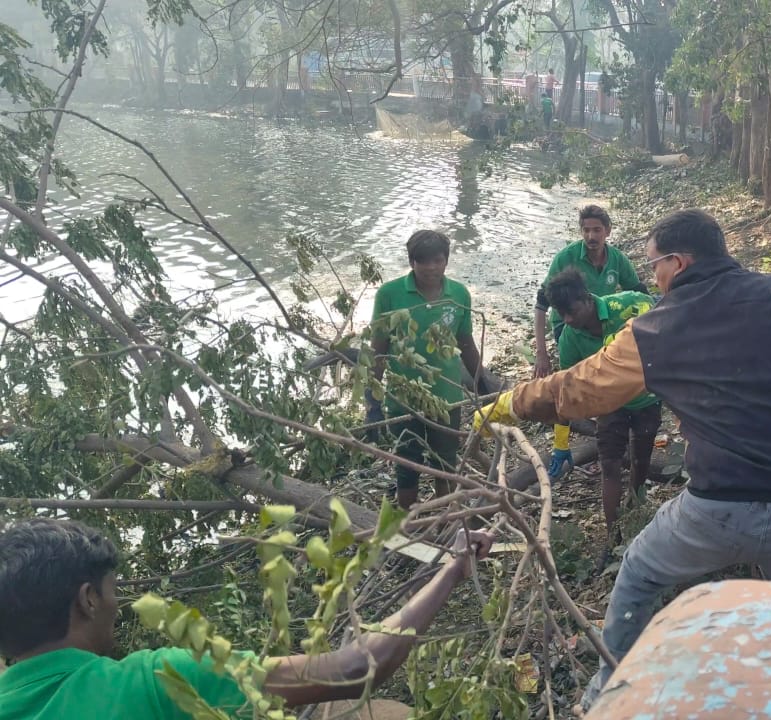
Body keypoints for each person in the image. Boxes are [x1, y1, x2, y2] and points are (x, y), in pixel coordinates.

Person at [475, 208, 771, 709]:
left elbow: (579, 391)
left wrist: (510, 402)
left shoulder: (654, 331)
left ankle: (605, 696)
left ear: (679, 263)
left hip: (715, 510)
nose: (653, 278)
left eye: (656, 266)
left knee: (639, 571)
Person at [0, 518, 494, 719]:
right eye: (111, 592)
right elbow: (356, 667)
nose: (116, 604)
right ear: (87, 599)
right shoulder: (155, 681)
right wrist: (453, 568)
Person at [544, 268, 659, 567]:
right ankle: (612, 537)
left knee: (641, 461)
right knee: (609, 464)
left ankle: (638, 511)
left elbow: (667, 325)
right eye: (561, 313)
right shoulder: (570, 337)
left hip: (647, 397)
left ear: (586, 299)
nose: (567, 319)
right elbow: (564, 390)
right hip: (608, 405)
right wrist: (561, 442)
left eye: (571, 311)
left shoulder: (630, 305)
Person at [366, 230, 482, 510]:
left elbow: (466, 344)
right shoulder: (390, 294)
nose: (430, 267)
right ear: (411, 262)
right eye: (423, 261)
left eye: (437, 260)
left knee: (445, 464)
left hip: (446, 398)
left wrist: (481, 385)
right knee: (407, 467)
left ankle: (442, 518)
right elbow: (378, 349)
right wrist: (372, 401)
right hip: (403, 399)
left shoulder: (458, 294)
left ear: (446, 261)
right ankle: (408, 520)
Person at [531, 205, 645, 379]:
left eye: (597, 230)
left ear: (608, 231)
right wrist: (541, 353)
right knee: (581, 374)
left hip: (603, 318)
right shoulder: (566, 258)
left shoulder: (617, 258)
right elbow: (541, 304)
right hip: (568, 322)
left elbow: (640, 293)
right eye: (586, 230)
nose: (591, 236)